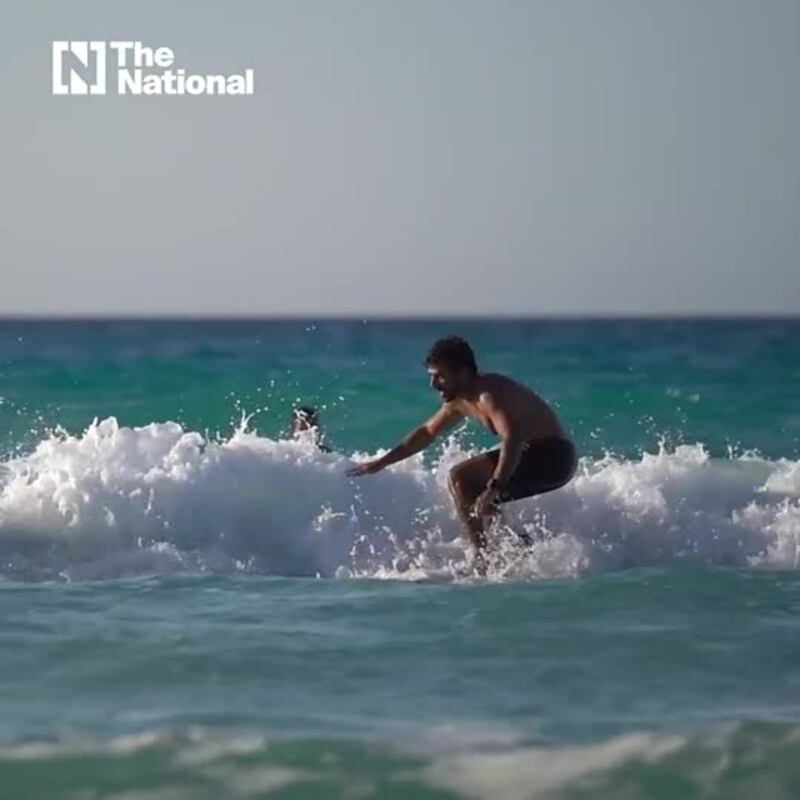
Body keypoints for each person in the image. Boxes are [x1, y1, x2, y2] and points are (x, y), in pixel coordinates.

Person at [346, 336, 576, 563]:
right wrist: (383, 461)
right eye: (432, 377)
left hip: (553, 457)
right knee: (475, 493)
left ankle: (481, 557)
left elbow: (513, 438)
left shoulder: (488, 396)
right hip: (535, 455)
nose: (433, 385)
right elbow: (427, 432)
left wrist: (495, 486)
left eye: (440, 377)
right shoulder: (459, 400)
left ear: (464, 373)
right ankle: (519, 548)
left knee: (461, 478)